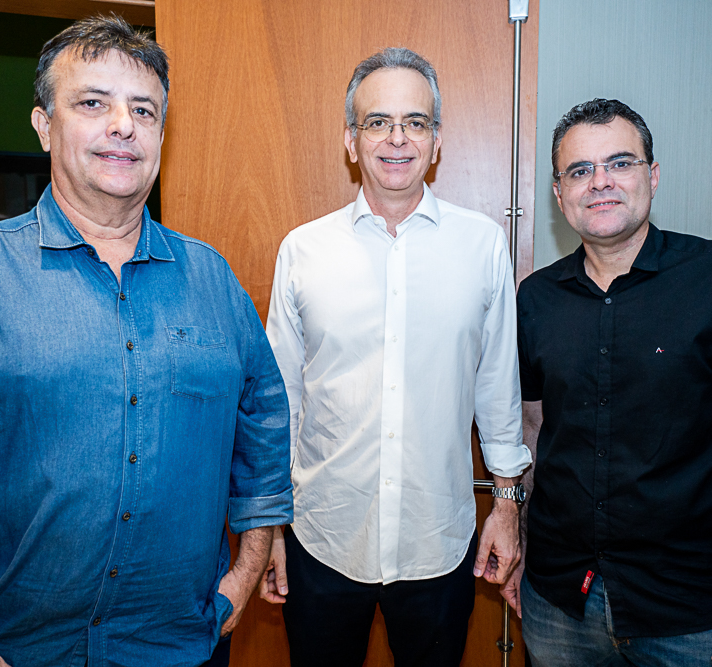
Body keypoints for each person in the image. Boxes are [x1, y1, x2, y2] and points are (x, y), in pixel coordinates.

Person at [0, 15, 292, 667]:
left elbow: (262, 418)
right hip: (8, 652)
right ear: (43, 125)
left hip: (183, 646)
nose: (123, 125)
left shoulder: (213, 279)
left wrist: (246, 567)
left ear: (161, 133)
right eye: (93, 103)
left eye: (143, 110)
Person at [506, 98, 712, 667]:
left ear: (652, 175)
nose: (600, 182)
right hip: (559, 603)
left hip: (695, 612)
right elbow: (532, 430)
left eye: (619, 163)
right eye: (580, 170)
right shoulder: (536, 299)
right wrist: (520, 539)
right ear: (558, 193)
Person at [260, 47, 532, 667]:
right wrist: (268, 528)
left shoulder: (483, 245)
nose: (397, 138)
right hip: (321, 540)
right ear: (351, 140)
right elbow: (281, 404)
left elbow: (498, 392)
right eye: (377, 122)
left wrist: (507, 510)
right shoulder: (303, 250)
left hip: (438, 544)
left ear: (436, 141)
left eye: (415, 122)